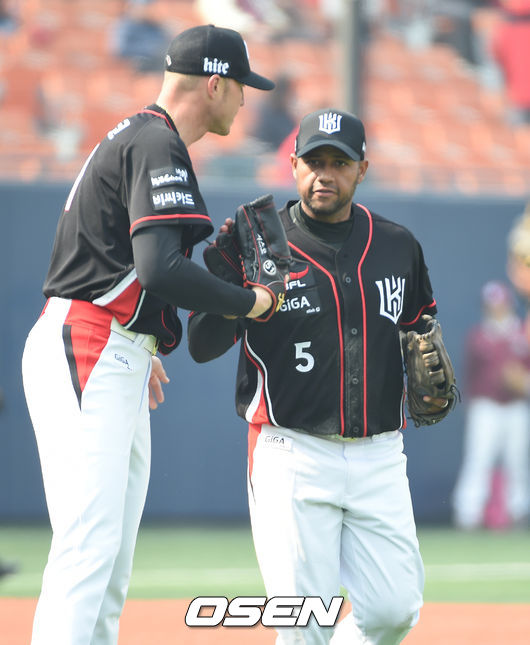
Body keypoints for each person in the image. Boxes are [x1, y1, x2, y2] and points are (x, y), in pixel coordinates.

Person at [21, 24, 275, 645]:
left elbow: (120, 263)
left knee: (108, 560)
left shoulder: (143, 136)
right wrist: (250, 302)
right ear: (214, 84)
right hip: (89, 341)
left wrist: (141, 331)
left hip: (107, 341)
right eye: (240, 85)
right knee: (89, 546)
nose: (245, 98)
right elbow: (159, 267)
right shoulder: (157, 141)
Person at [188, 108, 454, 645]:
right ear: (293, 165)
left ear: (362, 170)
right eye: (313, 161)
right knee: (305, 624)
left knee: (394, 611)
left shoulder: (397, 245)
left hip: (380, 454)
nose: (324, 174)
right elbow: (200, 345)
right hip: (292, 454)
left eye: (339, 162)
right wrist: (240, 292)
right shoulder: (258, 246)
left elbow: (419, 329)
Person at [452, 280, 530, 530]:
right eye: (491, 305)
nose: (496, 309)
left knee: (517, 461)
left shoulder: (522, 333)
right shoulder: (478, 336)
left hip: (516, 406)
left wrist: (522, 381)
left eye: (500, 304)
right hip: (485, 406)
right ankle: (468, 513)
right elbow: (469, 376)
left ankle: (518, 511)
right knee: (478, 459)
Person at [491, 0, 530, 126]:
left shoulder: (504, 29)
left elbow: (496, 58)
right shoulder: (505, 28)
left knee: (520, 132)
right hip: (518, 96)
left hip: (517, 95)